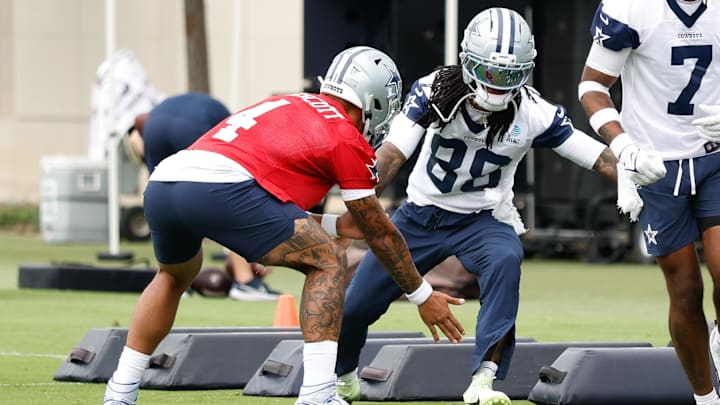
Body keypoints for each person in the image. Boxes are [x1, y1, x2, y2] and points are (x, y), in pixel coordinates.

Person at [102, 45, 465, 405]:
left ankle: (120, 391)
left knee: (173, 276)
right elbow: (381, 233)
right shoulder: (345, 135)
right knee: (326, 260)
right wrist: (422, 294)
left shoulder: (293, 102)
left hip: (167, 182)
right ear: (374, 100)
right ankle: (318, 394)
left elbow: (270, 205)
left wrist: (337, 226)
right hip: (223, 187)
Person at [332, 8, 620, 405]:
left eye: (510, 74)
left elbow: (597, 157)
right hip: (420, 214)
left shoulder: (533, 112)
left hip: (482, 217)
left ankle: (484, 379)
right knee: (357, 305)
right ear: (468, 62)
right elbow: (392, 155)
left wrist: (639, 180)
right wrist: (357, 197)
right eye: (490, 72)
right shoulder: (435, 89)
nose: (499, 85)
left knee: (506, 258)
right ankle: (344, 372)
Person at [578, 1, 720, 404]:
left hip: (715, 155)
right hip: (655, 165)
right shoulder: (632, 7)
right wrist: (625, 149)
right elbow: (591, 86)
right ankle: (707, 399)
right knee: (686, 288)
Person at [125, 92, 281, 301]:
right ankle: (245, 282)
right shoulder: (223, 118)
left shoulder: (150, 120)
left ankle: (175, 282)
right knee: (230, 199)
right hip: (192, 127)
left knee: (164, 199)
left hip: (156, 129)